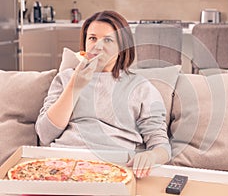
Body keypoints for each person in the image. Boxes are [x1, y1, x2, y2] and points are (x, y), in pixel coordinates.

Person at [35, 10, 171, 179]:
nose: (97, 46)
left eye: (107, 40)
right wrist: (74, 86)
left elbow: (161, 146)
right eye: (92, 38)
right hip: (63, 163)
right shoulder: (66, 78)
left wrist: (151, 156)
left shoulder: (141, 87)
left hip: (114, 168)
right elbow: (45, 134)